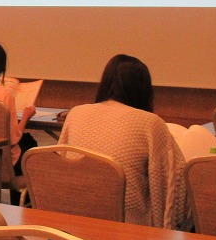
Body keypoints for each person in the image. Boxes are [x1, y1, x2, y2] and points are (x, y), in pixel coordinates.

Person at [59, 54, 184, 228]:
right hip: (127, 229)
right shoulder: (150, 123)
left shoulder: (75, 114)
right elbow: (174, 184)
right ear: (144, 89)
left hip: (72, 225)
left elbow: (58, 165)